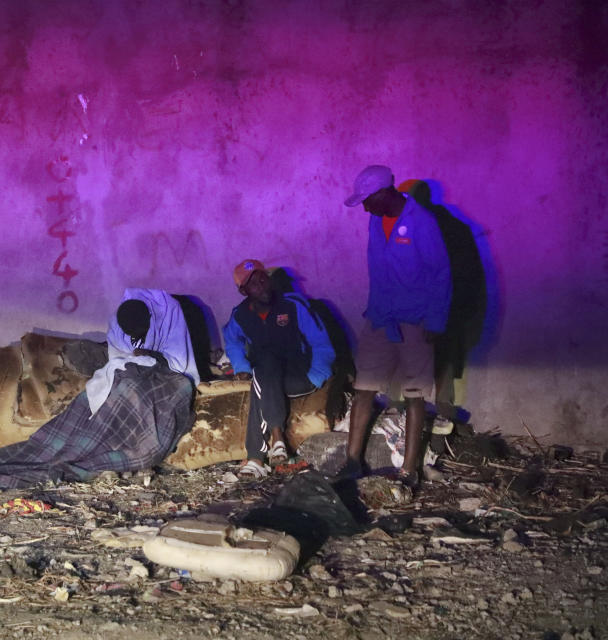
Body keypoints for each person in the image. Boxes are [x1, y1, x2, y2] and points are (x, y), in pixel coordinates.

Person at [341, 165, 451, 488]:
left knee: (414, 395)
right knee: (363, 389)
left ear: (383, 194)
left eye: (367, 200)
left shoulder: (423, 223)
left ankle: (409, 470)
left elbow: (440, 273)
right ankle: (351, 463)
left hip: (416, 320)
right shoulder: (377, 220)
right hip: (380, 317)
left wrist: (435, 320)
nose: (364, 207)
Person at [223, 260, 335, 479]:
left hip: (299, 375)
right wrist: (241, 367)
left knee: (261, 372)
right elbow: (232, 341)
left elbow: (321, 343)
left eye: (263, 278)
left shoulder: (293, 305)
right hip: (270, 376)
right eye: (254, 284)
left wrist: (317, 375)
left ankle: (260, 453)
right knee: (263, 367)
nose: (262, 285)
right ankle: (276, 444)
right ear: (243, 291)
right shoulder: (240, 315)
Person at [86, 288, 200, 414]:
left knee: (148, 396)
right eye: (132, 336)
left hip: (167, 369)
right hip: (135, 371)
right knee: (100, 387)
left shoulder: (170, 313)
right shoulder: (117, 323)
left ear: (151, 318)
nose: (136, 339)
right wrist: (132, 362)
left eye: (140, 334)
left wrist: (150, 354)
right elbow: (117, 358)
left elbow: (180, 362)